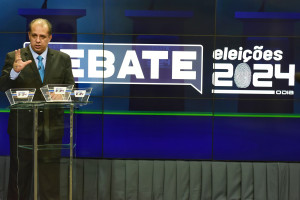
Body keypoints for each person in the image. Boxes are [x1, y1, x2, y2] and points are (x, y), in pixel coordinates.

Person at [0, 18, 74, 200]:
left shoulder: (63, 59)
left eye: (42, 36)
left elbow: (70, 88)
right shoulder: (14, 57)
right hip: (22, 128)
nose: (38, 40)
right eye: (34, 36)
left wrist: (63, 95)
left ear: (50, 38)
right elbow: (3, 86)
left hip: (51, 128)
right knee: (20, 177)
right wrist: (14, 72)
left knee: (50, 179)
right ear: (29, 36)